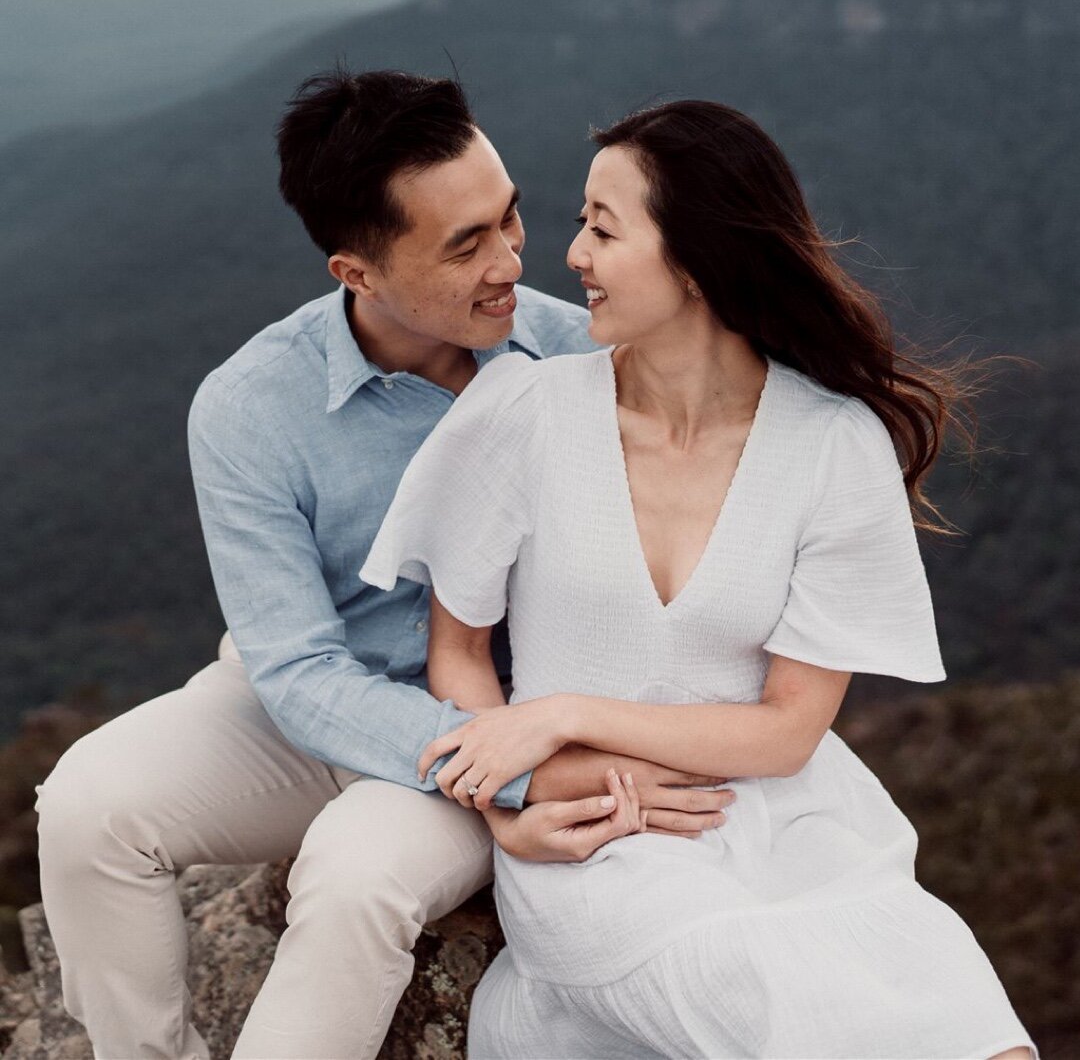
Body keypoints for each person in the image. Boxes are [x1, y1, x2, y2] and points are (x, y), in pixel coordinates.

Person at [34, 70, 737, 1060]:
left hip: (505, 717)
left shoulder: (587, 360)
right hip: (313, 708)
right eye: (464, 245)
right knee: (83, 807)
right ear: (354, 273)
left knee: (356, 876)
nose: (511, 262)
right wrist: (524, 783)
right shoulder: (248, 407)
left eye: (509, 219)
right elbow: (295, 675)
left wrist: (531, 759)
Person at [361, 100, 1038, 1059]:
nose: (571, 256)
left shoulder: (834, 444)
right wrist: (521, 794)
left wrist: (562, 711)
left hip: (790, 823)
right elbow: (459, 653)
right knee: (768, 993)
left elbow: (789, 729)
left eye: (603, 227)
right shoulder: (524, 413)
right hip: (604, 829)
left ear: (696, 257)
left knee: (960, 1012)